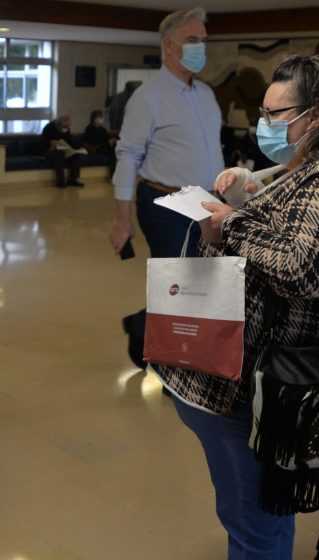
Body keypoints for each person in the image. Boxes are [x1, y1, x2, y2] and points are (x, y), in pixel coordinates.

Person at [162, 54, 319, 559]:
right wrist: (247, 202)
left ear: (314, 116)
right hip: (288, 376)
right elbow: (298, 239)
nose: (265, 124)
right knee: (269, 510)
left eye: (275, 114)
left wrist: (229, 222)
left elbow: (302, 270)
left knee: (252, 519)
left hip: (273, 380)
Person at [109, 7, 222, 369]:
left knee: (202, 285)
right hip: (164, 200)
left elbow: (209, 151)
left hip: (205, 202)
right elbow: (127, 157)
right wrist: (121, 220)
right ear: (169, 46)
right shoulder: (148, 97)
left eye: (203, 40)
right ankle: (173, 368)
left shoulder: (205, 93)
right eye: (192, 40)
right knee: (179, 287)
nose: (200, 47)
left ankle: (142, 325)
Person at [41, 115, 85, 188]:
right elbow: (43, 143)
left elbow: (69, 141)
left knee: (75, 155)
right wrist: (51, 143)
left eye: (68, 126)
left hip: (62, 150)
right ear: (61, 123)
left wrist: (77, 148)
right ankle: (61, 181)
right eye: (66, 126)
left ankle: (73, 179)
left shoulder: (66, 129)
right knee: (59, 154)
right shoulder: (49, 128)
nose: (67, 128)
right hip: (47, 150)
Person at [83, 109, 117, 177]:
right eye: (100, 117)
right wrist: (107, 142)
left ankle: (115, 173)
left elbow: (107, 137)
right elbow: (93, 141)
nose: (102, 119)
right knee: (112, 152)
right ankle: (113, 174)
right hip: (96, 148)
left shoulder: (102, 129)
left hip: (105, 147)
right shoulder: (89, 128)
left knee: (115, 149)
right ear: (95, 118)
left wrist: (111, 140)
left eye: (102, 117)